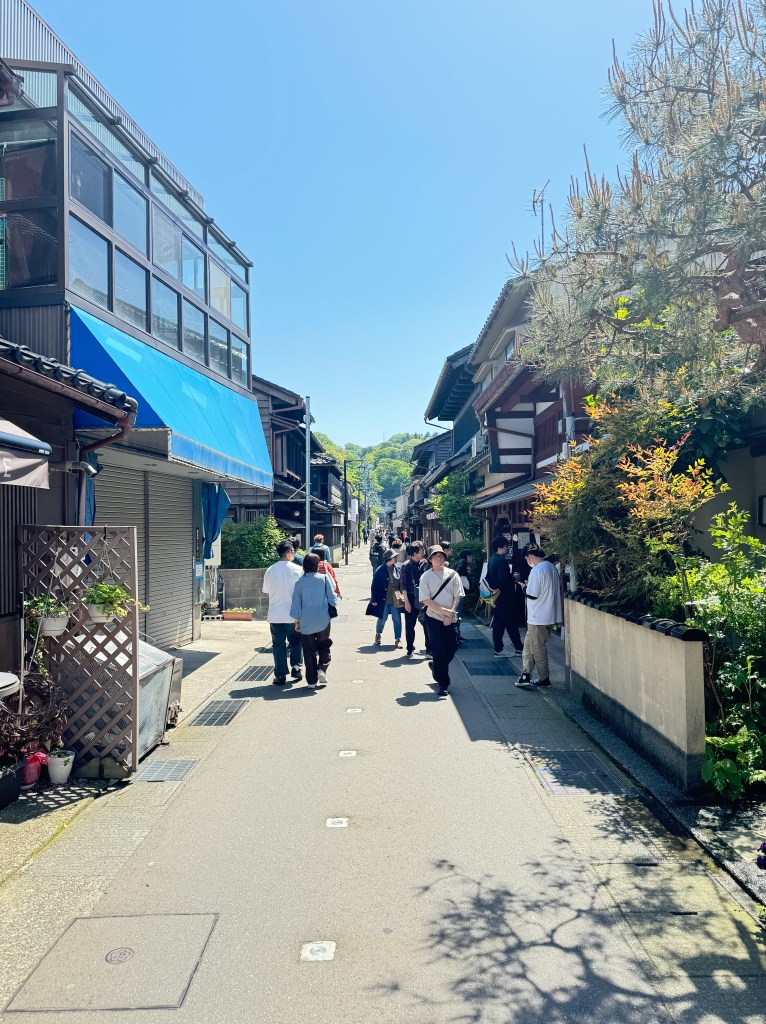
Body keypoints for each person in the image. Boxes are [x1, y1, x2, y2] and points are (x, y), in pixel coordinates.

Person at [419, 545, 464, 696]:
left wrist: (450, 614)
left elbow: (457, 596)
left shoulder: (453, 575)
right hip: (433, 617)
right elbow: (426, 600)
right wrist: (445, 612)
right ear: (430, 559)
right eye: (435, 556)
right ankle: (443, 684)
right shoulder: (426, 577)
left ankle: (436, 666)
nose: (439, 558)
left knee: (452, 647)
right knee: (438, 650)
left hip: (450, 618)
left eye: (441, 555)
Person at [517, 545, 563, 689]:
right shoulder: (550, 567)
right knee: (529, 645)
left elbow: (532, 594)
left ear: (529, 557)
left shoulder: (537, 570)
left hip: (538, 616)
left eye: (526, 559)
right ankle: (525, 675)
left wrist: (524, 587)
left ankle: (544, 678)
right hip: (549, 615)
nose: (527, 562)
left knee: (537, 649)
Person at [290, 552, 338, 687]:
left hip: (306, 621)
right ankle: (322, 669)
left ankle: (311, 681)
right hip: (323, 619)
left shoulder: (299, 583)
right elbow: (333, 599)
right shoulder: (323, 579)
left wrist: (296, 621)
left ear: (304, 566)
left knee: (308, 650)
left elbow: (296, 605)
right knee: (324, 645)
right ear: (317, 566)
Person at [262, 539, 304, 685]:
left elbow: (266, 591)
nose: (294, 553)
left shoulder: (270, 570)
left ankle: (280, 675)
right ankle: (296, 667)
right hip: (294, 615)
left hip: (275, 614)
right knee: (296, 641)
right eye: (292, 551)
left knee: (278, 644)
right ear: (288, 553)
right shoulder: (298, 570)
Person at [486, 537, 524, 657]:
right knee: (511, 623)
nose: (507, 548)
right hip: (505, 597)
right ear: (500, 548)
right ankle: (519, 648)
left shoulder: (492, 559)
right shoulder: (501, 561)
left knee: (498, 624)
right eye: (506, 546)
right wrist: (514, 578)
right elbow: (504, 579)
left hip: (496, 597)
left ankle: (498, 649)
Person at [399, 542, 430, 657]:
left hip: (424, 598)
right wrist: (406, 602)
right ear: (414, 553)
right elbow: (403, 586)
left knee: (427, 624)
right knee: (410, 625)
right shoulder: (406, 565)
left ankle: (429, 649)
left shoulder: (425, 563)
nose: (423, 552)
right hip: (411, 598)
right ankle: (410, 648)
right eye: (421, 550)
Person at [369, 550, 403, 647]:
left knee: (397, 619)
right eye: (394, 557)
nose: (396, 558)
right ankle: (378, 634)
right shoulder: (380, 570)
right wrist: (374, 599)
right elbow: (374, 586)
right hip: (383, 599)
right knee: (382, 619)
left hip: (395, 599)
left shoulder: (397, 568)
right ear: (390, 559)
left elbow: (401, 583)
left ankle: (398, 639)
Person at [451, 549, 474, 635]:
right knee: (458, 611)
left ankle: (456, 633)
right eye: (471, 556)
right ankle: (456, 634)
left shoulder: (457, 562)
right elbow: (458, 571)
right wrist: (466, 574)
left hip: (455, 590)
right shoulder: (463, 562)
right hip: (459, 591)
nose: (472, 558)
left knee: (457, 611)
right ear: (467, 555)